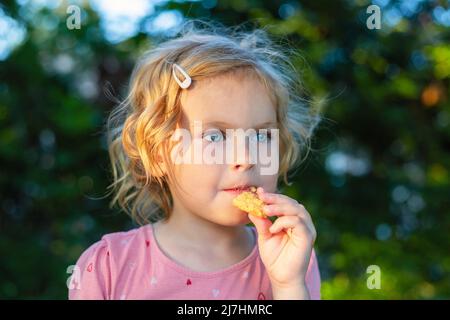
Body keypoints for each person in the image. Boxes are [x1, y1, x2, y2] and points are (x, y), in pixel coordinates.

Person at [69, 22, 321, 300]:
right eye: (215, 137)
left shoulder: (291, 259)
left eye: (261, 136)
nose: (246, 158)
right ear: (158, 155)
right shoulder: (108, 268)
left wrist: (288, 286)